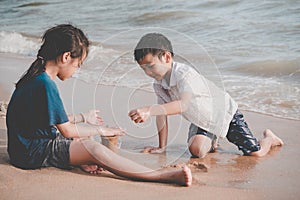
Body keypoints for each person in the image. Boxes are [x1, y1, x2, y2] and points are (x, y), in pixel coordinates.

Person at [6, 25, 192, 186]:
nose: (76, 70)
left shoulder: (36, 78)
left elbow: (51, 121)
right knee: (91, 148)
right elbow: (67, 131)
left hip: (24, 149)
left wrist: (84, 121)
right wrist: (101, 130)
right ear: (65, 57)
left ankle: (86, 160)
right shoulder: (45, 84)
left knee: (82, 143)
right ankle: (159, 175)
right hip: (31, 153)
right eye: (78, 64)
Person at [128, 33, 284, 158]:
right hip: (202, 120)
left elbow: (183, 105)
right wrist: (162, 147)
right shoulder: (159, 84)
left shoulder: (184, 74)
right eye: (144, 69)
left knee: (255, 153)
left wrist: (149, 109)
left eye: (151, 66)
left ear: (167, 57)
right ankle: (213, 139)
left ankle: (270, 138)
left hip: (224, 114)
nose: (148, 72)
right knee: (196, 151)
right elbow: (161, 115)